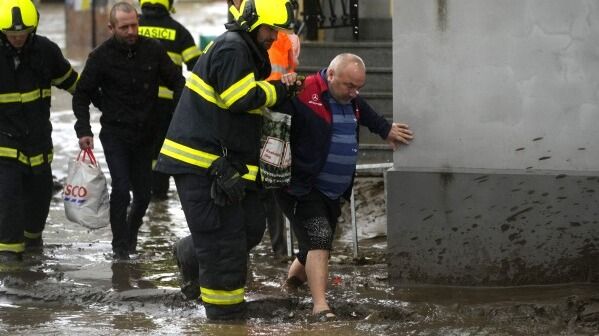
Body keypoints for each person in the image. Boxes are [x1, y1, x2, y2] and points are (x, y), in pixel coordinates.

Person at [156, 0, 296, 320]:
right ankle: (225, 317)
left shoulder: (244, 50)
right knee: (224, 244)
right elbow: (239, 99)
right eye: (270, 30)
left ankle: (190, 253)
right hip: (201, 165)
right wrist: (277, 92)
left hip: (220, 163)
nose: (274, 37)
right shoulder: (233, 49)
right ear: (251, 23)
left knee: (249, 228)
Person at [276, 53, 414, 321]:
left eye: (358, 87)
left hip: (333, 191)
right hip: (301, 187)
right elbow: (269, 111)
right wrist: (282, 86)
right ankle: (320, 307)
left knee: (313, 243)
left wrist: (386, 130)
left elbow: (367, 112)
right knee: (319, 237)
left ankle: (291, 285)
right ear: (330, 75)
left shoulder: (352, 99)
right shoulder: (303, 92)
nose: (354, 92)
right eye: (349, 86)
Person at [72, 1, 184, 260]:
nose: (131, 31)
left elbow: (178, 82)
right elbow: (81, 95)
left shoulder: (153, 50)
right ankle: (119, 247)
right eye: (125, 27)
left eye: (134, 25)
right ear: (111, 28)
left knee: (144, 196)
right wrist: (83, 130)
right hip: (115, 135)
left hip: (146, 134)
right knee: (121, 188)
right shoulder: (100, 57)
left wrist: (175, 115)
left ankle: (131, 233)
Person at [0, 0, 79, 262]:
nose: (18, 38)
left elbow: (74, 85)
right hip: (4, 145)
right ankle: (10, 280)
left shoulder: (46, 51)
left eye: (23, 33)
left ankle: (33, 262)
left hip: (38, 145)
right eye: (12, 34)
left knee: (39, 205)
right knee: (8, 205)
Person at [138, 0, 202, 200]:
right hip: (164, 106)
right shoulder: (179, 31)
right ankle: (158, 195)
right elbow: (198, 67)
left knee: (137, 147)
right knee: (160, 150)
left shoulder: (132, 27)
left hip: (133, 103)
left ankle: (138, 190)